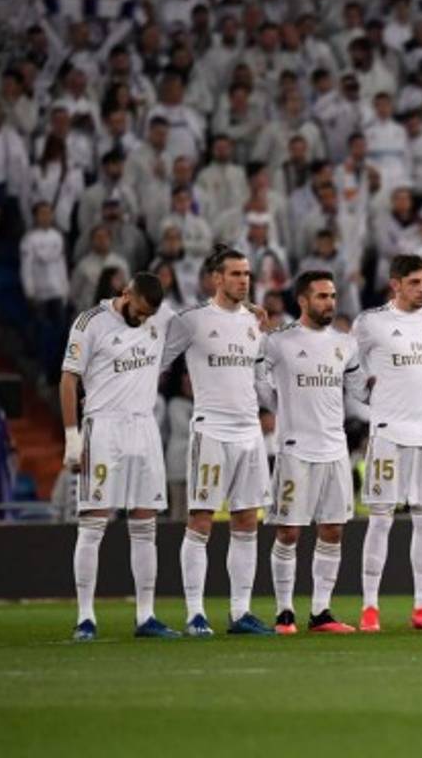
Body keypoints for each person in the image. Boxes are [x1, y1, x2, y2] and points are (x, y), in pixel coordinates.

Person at [161, 245, 274, 636]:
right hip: (210, 429)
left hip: (249, 431)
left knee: (246, 520)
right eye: (236, 273)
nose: (244, 279)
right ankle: (195, 613)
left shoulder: (254, 323)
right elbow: (158, 360)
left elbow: (260, 378)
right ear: (216, 278)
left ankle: (240, 612)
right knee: (201, 519)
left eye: (247, 273)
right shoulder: (191, 321)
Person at [61, 273, 177, 640]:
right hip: (104, 427)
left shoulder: (163, 317)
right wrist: (71, 438)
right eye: (138, 311)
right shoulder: (90, 322)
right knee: (93, 523)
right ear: (125, 294)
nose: (142, 319)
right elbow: (67, 379)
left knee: (145, 526)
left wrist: (248, 308)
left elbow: (203, 321)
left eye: (148, 315)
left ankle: (146, 616)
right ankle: (85, 617)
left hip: (144, 428)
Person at [257, 270, 364, 634]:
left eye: (332, 296)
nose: (329, 303)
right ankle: (284, 612)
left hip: (334, 448)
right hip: (295, 449)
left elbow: (359, 391)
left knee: (332, 530)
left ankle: (321, 612)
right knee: (289, 531)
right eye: (321, 296)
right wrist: (276, 406)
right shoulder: (279, 341)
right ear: (302, 300)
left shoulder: (345, 344)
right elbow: (258, 380)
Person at [352, 255, 422, 632]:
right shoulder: (371, 322)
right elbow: (349, 366)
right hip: (389, 433)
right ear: (396, 284)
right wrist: (370, 399)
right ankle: (370, 607)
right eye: (415, 282)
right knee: (380, 520)